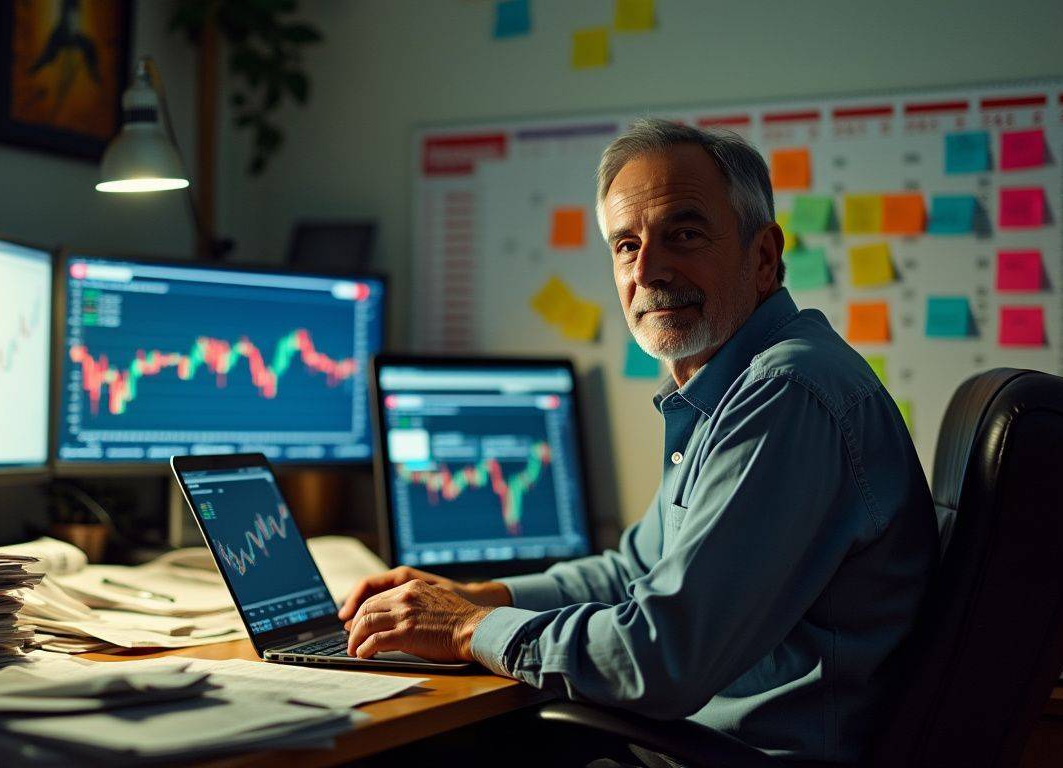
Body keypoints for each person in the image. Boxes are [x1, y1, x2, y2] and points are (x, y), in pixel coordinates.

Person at [339, 119, 938, 763]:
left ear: (763, 256)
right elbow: (633, 570)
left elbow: (659, 657)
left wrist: (466, 629)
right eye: (626, 245)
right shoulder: (728, 388)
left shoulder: (787, 393)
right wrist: (486, 597)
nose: (648, 270)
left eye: (683, 234)